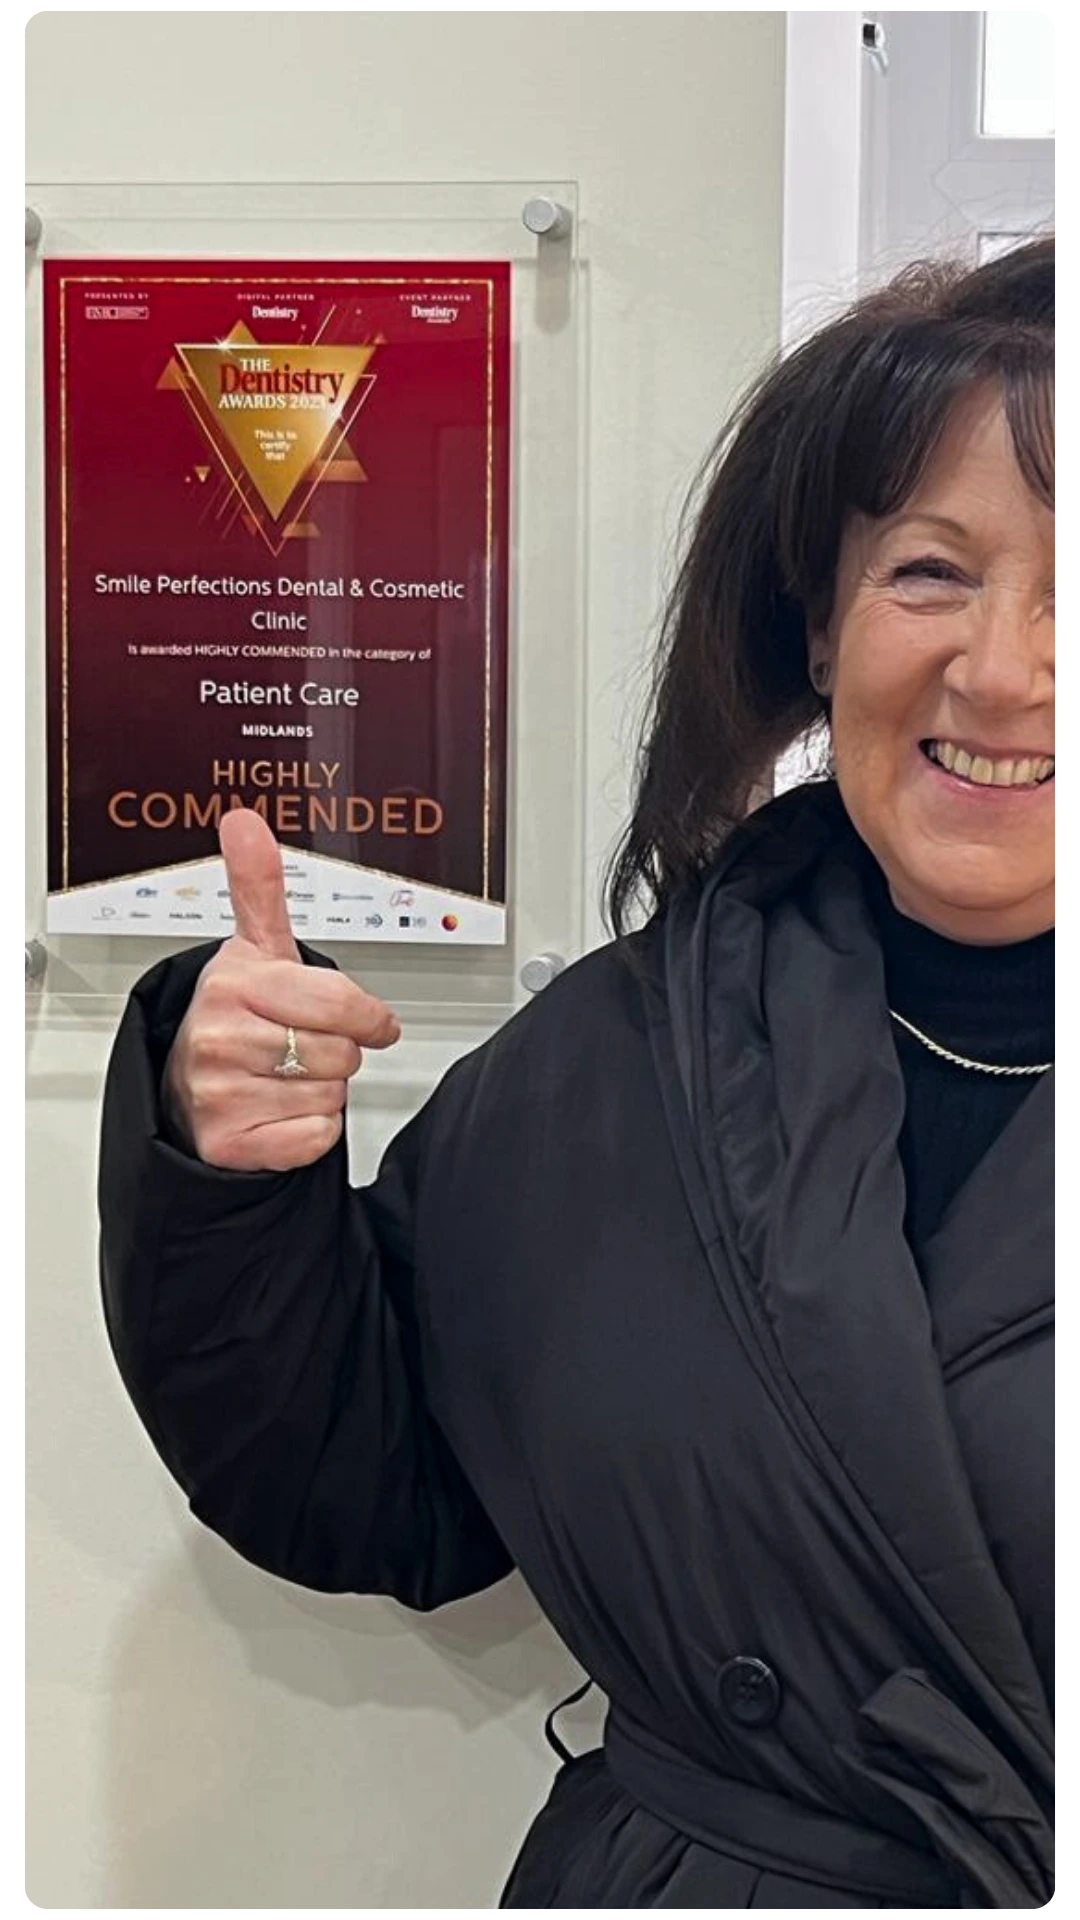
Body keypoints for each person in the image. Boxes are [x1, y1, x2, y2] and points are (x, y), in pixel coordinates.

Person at [99, 236, 1055, 1913]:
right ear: (816, 630)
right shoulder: (628, 1056)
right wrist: (234, 1167)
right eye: (929, 572)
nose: (1002, 671)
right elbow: (374, 1476)